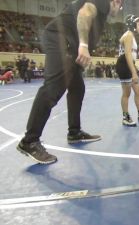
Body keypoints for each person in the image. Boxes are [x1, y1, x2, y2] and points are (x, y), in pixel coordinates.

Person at [16, 0, 123, 164]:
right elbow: (84, 13)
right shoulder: (104, 2)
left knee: (77, 87)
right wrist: (84, 45)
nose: (119, 9)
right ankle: (29, 141)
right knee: (53, 89)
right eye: (120, 5)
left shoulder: (102, 12)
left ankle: (74, 132)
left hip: (70, 43)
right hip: (62, 38)